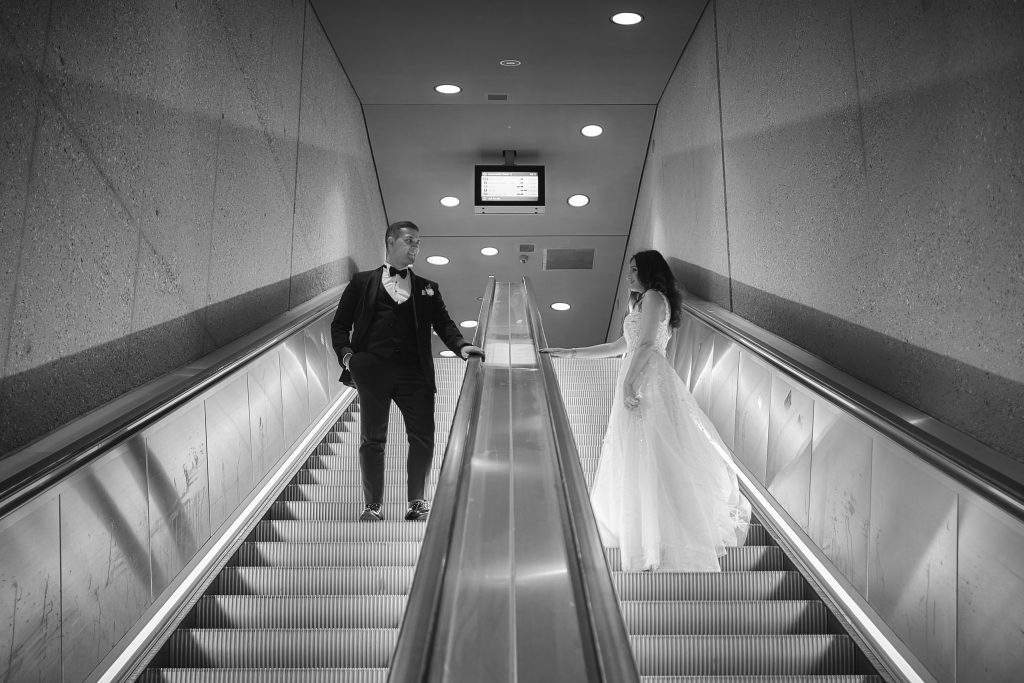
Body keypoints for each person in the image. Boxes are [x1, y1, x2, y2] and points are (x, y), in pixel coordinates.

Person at [542, 250, 749, 571]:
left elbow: (648, 343)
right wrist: (569, 353)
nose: (629, 275)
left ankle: (663, 536)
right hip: (637, 375)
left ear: (650, 273)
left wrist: (629, 383)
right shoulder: (639, 303)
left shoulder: (654, 297)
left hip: (648, 380)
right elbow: (618, 346)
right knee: (636, 453)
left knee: (654, 451)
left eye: (634, 269)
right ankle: (644, 533)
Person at [331, 220, 484, 522]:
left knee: (423, 436)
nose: (416, 247)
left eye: (418, 243)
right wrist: (348, 358)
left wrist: (461, 346)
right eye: (410, 241)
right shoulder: (362, 282)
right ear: (390, 241)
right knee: (372, 438)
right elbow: (339, 325)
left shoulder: (428, 287)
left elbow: (444, 323)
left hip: (415, 372)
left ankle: (417, 501)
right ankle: (373, 505)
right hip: (372, 370)